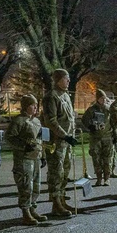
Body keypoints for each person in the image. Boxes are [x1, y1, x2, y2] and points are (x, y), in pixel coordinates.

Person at [42, 68, 79, 218]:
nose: (68, 81)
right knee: (56, 172)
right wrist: (65, 136)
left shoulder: (65, 95)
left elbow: (69, 119)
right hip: (56, 142)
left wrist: (72, 135)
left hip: (66, 142)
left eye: (68, 78)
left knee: (65, 172)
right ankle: (55, 202)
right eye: (65, 78)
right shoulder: (51, 96)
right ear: (58, 80)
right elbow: (51, 121)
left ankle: (62, 200)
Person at [6, 94, 48, 226]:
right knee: (26, 187)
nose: (35, 107)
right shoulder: (19, 121)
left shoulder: (36, 121)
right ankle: (25, 212)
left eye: (36, 105)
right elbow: (9, 138)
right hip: (24, 159)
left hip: (36, 157)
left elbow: (42, 139)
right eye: (32, 105)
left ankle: (33, 208)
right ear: (25, 107)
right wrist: (23, 146)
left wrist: (44, 155)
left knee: (36, 186)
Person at [80, 89, 113, 187]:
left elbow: (114, 122)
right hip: (95, 138)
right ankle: (99, 178)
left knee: (107, 159)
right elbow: (84, 120)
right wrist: (90, 127)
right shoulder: (91, 110)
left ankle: (107, 178)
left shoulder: (109, 109)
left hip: (107, 137)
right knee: (96, 158)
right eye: (101, 98)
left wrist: (115, 135)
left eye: (104, 98)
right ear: (97, 99)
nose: (103, 100)